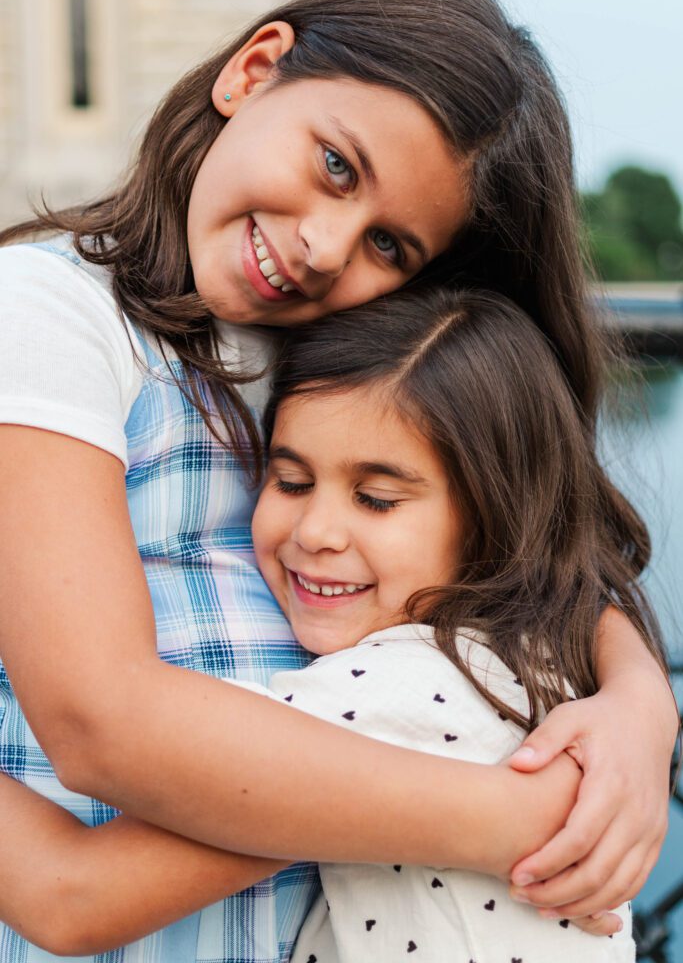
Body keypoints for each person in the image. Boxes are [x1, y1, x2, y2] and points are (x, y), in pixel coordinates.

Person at [0, 0, 676, 963]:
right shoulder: (50, 312)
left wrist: (636, 706)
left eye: (390, 246)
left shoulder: (324, 367)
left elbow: (531, 559)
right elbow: (100, 728)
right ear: (255, 68)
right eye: (335, 165)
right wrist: (517, 815)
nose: (324, 247)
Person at [0, 288, 654, 962]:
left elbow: (74, 895)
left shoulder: (390, 690)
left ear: (493, 517)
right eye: (289, 482)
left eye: (375, 500)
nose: (315, 532)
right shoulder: (538, 653)